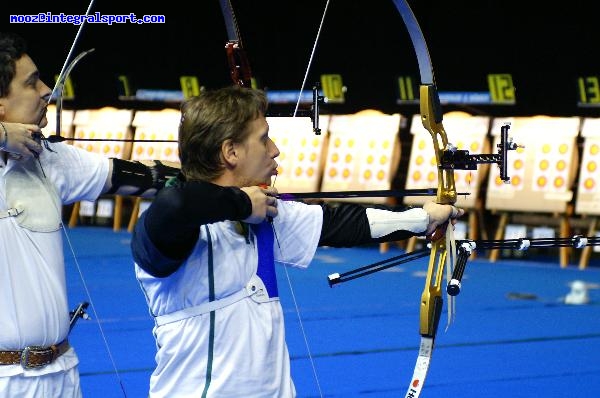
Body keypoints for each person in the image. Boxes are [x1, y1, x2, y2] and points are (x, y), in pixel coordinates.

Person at [130, 84, 464, 397]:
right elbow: (175, 206)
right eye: (263, 140)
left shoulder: (264, 213)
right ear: (231, 152)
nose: (275, 150)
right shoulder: (170, 231)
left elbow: (338, 224)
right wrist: (244, 203)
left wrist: (423, 218)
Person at [0, 32, 179, 397]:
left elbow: (139, 177)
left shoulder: (51, 159)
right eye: (32, 83)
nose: (47, 90)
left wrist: (214, 180)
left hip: (62, 371)